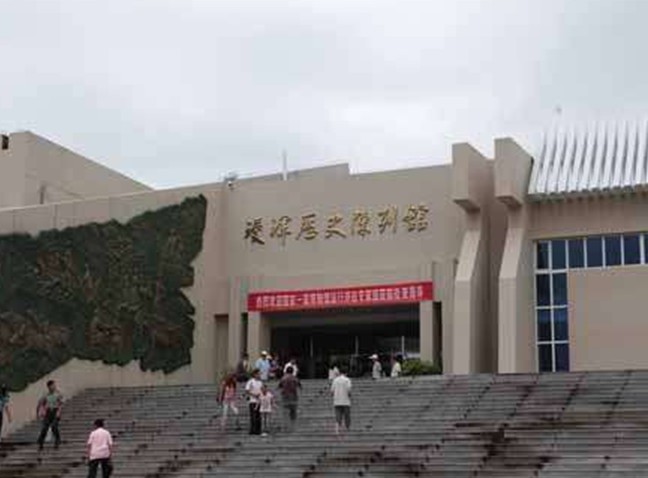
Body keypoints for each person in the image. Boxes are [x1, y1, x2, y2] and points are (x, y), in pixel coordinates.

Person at [37, 379, 64, 450]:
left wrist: (59, 412)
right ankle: (41, 442)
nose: (54, 386)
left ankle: (57, 440)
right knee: (44, 428)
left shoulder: (58, 394)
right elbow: (41, 403)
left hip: (55, 411)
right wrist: (42, 411)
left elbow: (60, 404)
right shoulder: (45, 395)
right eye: (53, 385)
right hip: (48, 412)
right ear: (49, 386)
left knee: (54, 426)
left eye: (54, 385)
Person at [278, 365, 301, 432]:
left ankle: (285, 427)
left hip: (285, 397)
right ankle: (293, 427)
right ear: (292, 371)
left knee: (285, 412)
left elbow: (279, 386)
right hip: (293, 397)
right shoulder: (295, 378)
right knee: (293, 413)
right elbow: (299, 386)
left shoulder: (283, 378)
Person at [331, 366, 352, 436]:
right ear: (346, 373)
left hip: (337, 401)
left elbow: (332, 390)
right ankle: (347, 427)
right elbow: (349, 389)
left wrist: (334, 395)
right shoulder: (347, 380)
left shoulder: (335, 380)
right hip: (345, 401)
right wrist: (349, 395)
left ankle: (337, 428)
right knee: (347, 415)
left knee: (338, 415)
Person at [245, 369, 263, 435]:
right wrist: (254, 395)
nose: (259, 375)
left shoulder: (260, 382)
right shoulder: (250, 382)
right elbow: (247, 390)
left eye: (260, 374)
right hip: (252, 401)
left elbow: (262, 390)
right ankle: (253, 429)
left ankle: (258, 430)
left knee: (258, 416)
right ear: (255, 374)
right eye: (258, 374)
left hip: (259, 401)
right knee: (253, 416)